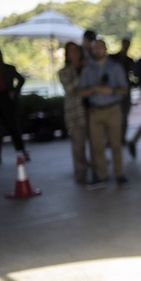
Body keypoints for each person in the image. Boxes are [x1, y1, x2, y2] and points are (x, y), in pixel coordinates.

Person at [79, 39, 129, 189]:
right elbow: (81, 92)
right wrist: (93, 89)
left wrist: (111, 91)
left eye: (101, 47)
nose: (98, 50)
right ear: (92, 50)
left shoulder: (115, 67)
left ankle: (119, 173)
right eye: (95, 48)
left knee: (115, 144)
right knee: (96, 146)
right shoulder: (87, 69)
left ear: (106, 49)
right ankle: (101, 175)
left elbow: (125, 90)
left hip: (113, 109)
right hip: (95, 111)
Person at [58, 42, 90, 185]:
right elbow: (70, 89)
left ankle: (98, 172)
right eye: (71, 51)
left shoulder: (89, 66)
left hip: (91, 110)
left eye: (76, 50)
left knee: (96, 144)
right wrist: (82, 73)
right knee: (78, 146)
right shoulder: (64, 72)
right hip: (75, 113)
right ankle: (81, 174)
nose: (74, 53)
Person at [110, 38, 137, 144]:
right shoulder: (113, 58)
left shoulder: (129, 60)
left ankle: (122, 137)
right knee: (114, 116)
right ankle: (112, 138)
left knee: (124, 115)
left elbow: (134, 75)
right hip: (114, 91)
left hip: (125, 91)